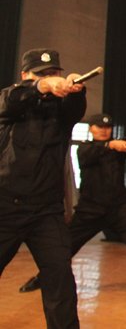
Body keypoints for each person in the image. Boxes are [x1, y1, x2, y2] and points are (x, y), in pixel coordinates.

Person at [19, 113, 126, 297]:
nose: (104, 130)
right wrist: (111, 145)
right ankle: (42, 277)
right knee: (65, 245)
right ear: (91, 128)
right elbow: (95, 152)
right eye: (99, 127)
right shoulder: (84, 148)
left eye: (107, 128)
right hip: (90, 209)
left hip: (118, 208)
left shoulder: (118, 149)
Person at [0, 48, 86, 329]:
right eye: (40, 74)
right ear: (24, 75)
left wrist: (76, 88)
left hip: (46, 212)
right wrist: (42, 85)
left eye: (53, 73)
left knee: (60, 280)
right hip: (5, 207)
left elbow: (76, 109)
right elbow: (10, 100)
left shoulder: (62, 110)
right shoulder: (11, 100)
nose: (49, 78)